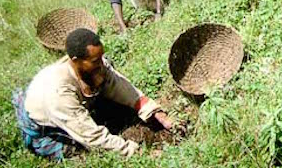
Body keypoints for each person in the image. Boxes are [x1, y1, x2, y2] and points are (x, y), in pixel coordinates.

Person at [11, 28, 173, 160]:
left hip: (70, 104)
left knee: (115, 105)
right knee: (78, 151)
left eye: (101, 57)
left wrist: (154, 111)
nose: (101, 64)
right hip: (47, 127)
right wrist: (137, 153)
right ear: (75, 61)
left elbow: (122, 87)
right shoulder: (58, 94)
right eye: (96, 61)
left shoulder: (95, 65)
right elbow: (92, 137)